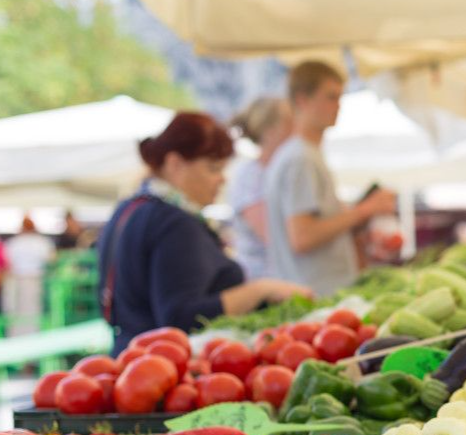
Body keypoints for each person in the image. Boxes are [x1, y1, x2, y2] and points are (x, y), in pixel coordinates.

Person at [98, 112, 310, 355]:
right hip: (166, 369)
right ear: (175, 163)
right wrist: (262, 289)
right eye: (213, 168)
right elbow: (181, 318)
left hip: (129, 360)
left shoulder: (129, 208)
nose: (222, 179)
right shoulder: (174, 222)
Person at [265, 61, 398, 296]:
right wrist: (364, 210)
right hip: (318, 295)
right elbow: (303, 237)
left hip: (322, 293)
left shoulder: (304, 155)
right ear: (302, 100)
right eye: (331, 97)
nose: (338, 106)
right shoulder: (300, 159)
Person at [228, 97, 294, 279]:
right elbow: (273, 236)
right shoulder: (250, 176)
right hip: (263, 282)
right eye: (290, 122)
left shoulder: (280, 171)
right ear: (270, 131)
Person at [4, 216, 55, 336]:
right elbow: (51, 258)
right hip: (31, 279)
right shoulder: (41, 242)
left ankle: (19, 338)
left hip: (19, 279)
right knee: (31, 310)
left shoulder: (14, 242)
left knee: (18, 311)